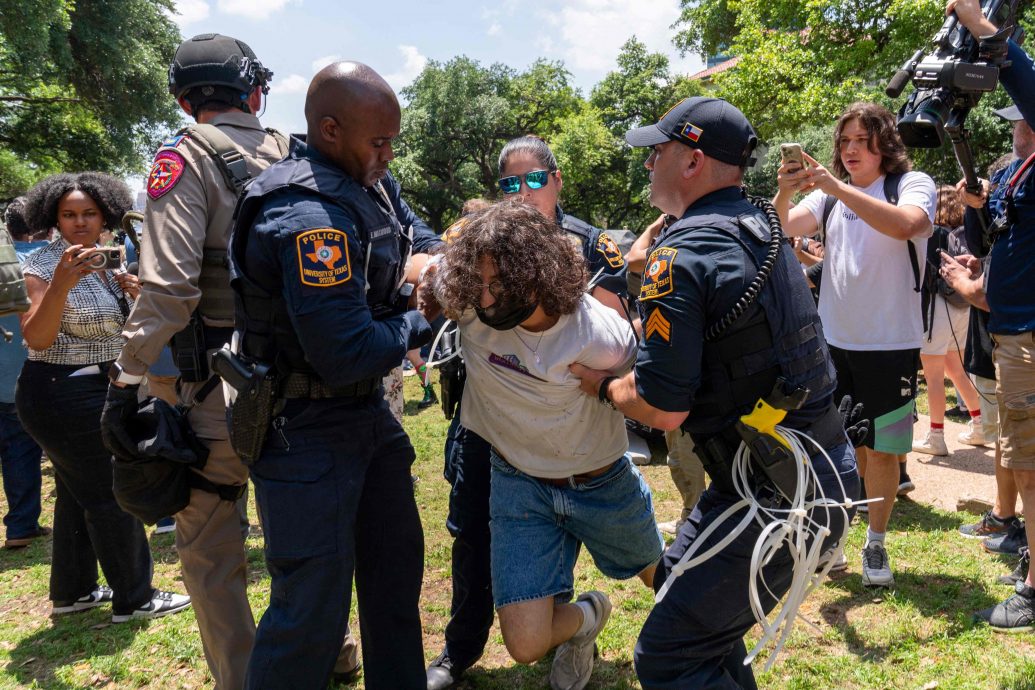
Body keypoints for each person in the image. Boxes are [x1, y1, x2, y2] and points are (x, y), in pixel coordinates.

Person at [569, 96, 857, 688]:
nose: (649, 165)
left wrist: (605, 387)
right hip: (794, 475)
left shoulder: (685, 253)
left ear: (693, 161)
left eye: (658, 152)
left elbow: (661, 409)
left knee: (669, 656)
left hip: (780, 495)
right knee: (679, 588)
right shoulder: (759, 226)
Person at [96, 33, 322, 689]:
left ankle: (243, 678)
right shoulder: (298, 155)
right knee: (300, 538)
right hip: (305, 383)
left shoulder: (182, 156)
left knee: (212, 551)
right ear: (256, 91)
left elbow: (167, 290)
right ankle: (332, 652)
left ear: (181, 98)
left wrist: (125, 381)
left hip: (214, 392)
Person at [227, 61, 440, 689]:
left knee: (394, 579)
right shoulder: (306, 215)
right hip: (305, 430)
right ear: (328, 129)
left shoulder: (365, 177)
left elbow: (411, 231)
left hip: (364, 416)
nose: (389, 154)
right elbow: (346, 350)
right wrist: (424, 311)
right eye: (380, 142)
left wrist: (430, 262)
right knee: (310, 614)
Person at [431, 201, 663, 690]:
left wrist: (609, 383)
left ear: (539, 273)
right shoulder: (470, 310)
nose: (490, 300)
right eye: (483, 285)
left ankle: (712, 659)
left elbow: (652, 377)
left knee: (668, 583)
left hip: (602, 481)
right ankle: (588, 617)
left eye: (503, 285)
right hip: (520, 486)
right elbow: (423, 268)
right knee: (525, 646)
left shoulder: (597, 333)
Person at [16, 172, 191, 623]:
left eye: (89, 213)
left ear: (104, 215)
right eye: (69, 215)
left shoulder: (110, 266)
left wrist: (135, 297)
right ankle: (135, 597)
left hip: (97, 387)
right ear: (52, 218)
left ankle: (73, 592)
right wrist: (59, 285)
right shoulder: (39, 266)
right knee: (111, 494)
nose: (79, 223)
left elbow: (120, 334)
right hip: (59, 391)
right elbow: (36, 337)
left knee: (77, 494)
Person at [775, 102, 936, 588]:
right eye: (843, 142)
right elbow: (782, 228)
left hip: (891, 344)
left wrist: (835, 187)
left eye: (860, 142)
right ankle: (839, 536)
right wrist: (784, 192)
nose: (849, 151)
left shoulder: (911, 184)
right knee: (842, 446)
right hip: (834, 344)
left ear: (884, 144)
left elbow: (908, 225)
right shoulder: (828, 198)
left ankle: (877, 543)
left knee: (883, 452)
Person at [950, 0, 1035, 631]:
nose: (1014, 123)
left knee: (1031, 458)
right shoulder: (1020, 169)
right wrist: (979, 203)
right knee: (1020, 449)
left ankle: (1034, 588)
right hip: (1010, 327)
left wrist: (980, 25)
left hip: (1027, 334)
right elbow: (995, 239)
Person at [623, 213, 707, 535]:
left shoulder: (673, 253)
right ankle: (695, 515)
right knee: (685, 454)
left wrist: (656, 225)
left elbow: (633, 259)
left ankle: (695, 520)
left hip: (685, 375)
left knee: (685, 455)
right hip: (695, 372)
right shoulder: (701, 246)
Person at [912, 185, 983, 456]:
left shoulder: (933, 233)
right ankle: (980, 424)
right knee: (956, 369)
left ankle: (936, 436)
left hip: (937, 308)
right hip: (963, 304)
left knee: (932, 377)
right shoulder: (967, 232)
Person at [0, 198, 49, 550]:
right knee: (22, 450)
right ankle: (21, 523)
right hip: (33, 374)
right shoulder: (53, 261)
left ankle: (21, 524)